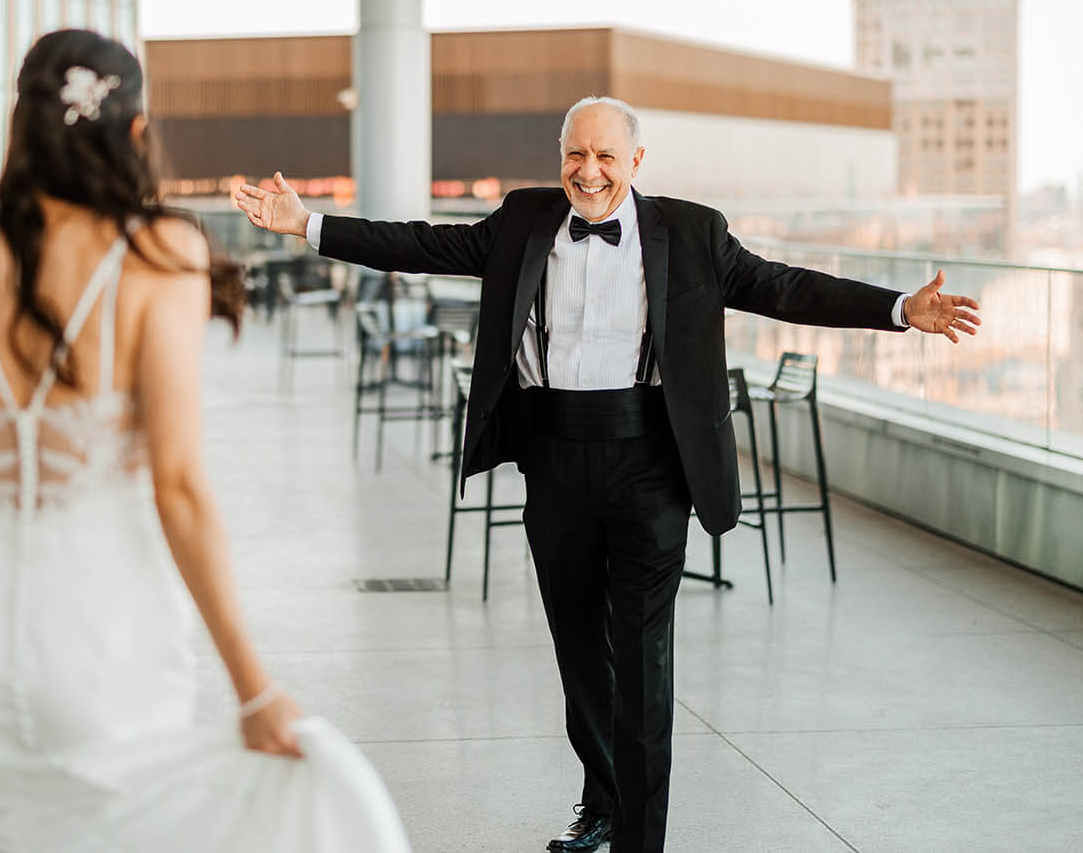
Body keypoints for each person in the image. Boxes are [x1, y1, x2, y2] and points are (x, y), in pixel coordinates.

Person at [233, 95, 980, 853]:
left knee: (646, 657)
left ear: (636, 162)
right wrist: (308, 223)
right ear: (561, 154)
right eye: (575, 155)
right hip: (554, 456)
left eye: (605, 158)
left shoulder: (692, 231)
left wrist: (896, 308)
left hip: (651, 461)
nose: (588, 173)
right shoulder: (523, 219)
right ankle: (604, 796)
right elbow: (421, 242)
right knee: (579, 649)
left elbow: (786, 287)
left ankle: (637, 841)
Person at [0, 29, 408, 852]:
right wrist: (253, 687)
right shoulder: (160, 254)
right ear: (136, 133)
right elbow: (178, 486)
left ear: (23, 127)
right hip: (102, 627)